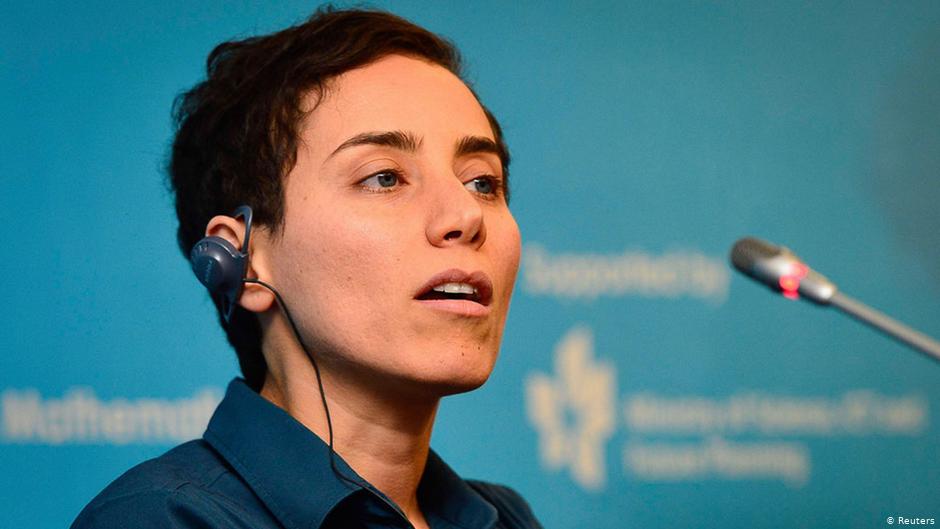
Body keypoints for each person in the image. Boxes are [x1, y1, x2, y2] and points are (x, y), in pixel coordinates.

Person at [71, 6, 542, 529]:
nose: (465, 215)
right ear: (243, 260)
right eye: (384, 178)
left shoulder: (505, 518)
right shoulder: (163, 518)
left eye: (482, 181)